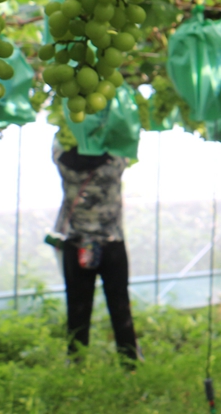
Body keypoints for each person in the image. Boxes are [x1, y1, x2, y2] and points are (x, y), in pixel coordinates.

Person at [52, 138, 139, 364]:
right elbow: (127, 143)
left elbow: (59, 142)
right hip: (111, 242)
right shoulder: (114, 160)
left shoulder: (62, 159)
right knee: (120, 305)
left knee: (77, 307)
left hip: (76, 243)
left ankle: (76, 361)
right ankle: (129, 360)